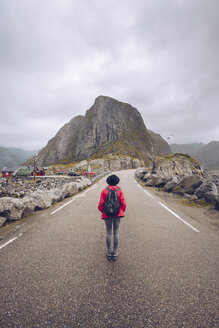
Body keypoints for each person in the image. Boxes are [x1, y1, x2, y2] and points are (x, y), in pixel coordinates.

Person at [98, 174, 126, 261]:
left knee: (109, 233)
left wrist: (103, 212)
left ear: (108, 181)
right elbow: (123, 203)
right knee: (116, 233)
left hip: (107, 215)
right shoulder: (119, 190)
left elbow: (100, 205)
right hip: (118, 214)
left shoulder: (104, 191)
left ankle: (109, 252)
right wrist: (121, 211)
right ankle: (114, 252)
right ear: (117, 182)